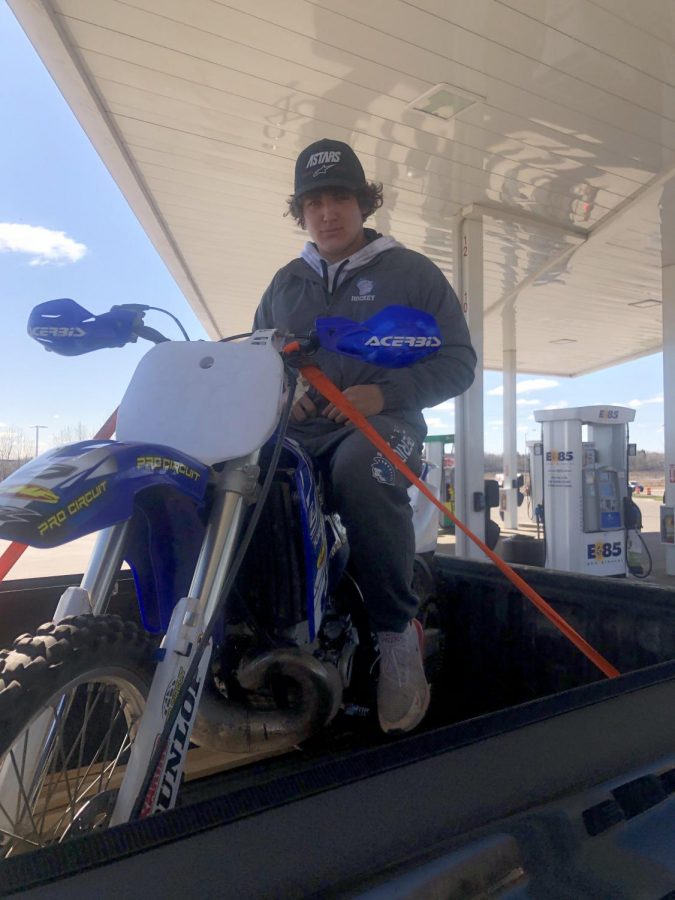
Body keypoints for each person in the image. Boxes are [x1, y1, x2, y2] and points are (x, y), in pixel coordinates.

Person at [254, 138, 476, 733]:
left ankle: (398, 635)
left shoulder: (411, 273)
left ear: (363, 204)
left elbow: (459, 364)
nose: (327, 212)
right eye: (314, 202)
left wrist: (384, 395)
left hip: (387, 428)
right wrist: (282, 394)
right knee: (241, 478)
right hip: (299, 434)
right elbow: (257, 362)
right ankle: (257, 633)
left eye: (340, 199)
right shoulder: (284, 284)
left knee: (360, 468)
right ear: (300, 212)